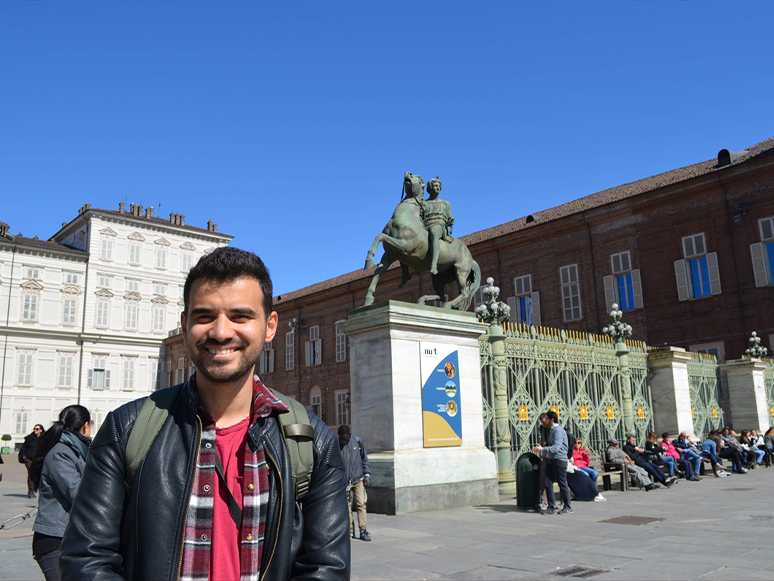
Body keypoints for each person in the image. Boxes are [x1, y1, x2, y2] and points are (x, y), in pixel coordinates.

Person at [60, 247, 350, 581]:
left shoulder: (310, 442)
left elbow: (325, 570)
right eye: (204, 316)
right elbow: (86, 562)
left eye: (240, 316)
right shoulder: (126, 430)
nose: (221, 332)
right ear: (184, 326)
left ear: (270, 326)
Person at [29, 405, 91, 581]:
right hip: (53, 539)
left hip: (68, 536)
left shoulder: (76, 449)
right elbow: (77, 492)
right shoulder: (61, 452)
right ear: (85, 426)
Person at [532, 410, 572, 514]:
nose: (546, 421)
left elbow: (557, 448)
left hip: (559, 460)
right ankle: (551, 506)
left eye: (547, 419)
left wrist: (542, 450)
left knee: (562, 483)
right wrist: (546, 446)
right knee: (547, 483)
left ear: (552, 420)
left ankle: (568, 506)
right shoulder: (552, 430)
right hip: (551, 459)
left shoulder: (558, 430)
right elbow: (552, 445)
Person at [338, 425, 371, 541]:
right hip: (345, 481)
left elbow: (364, 459)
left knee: (361, 503)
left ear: (349, 436)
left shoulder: (357, 442)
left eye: (345, 439)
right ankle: (350, 530)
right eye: (341, 439)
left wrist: (367, 474)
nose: (343, 441)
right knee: (347, 507)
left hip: (358, 479)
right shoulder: (337, 446)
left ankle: (363, 530)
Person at [421, 177, 454, 275]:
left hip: (439, 226)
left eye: (439, 186)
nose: (438, 188)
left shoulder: (446, 204)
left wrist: (451, 222)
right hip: (425, 226)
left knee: (434, 233)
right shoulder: (424, 203)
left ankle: (434, 265)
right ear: (430, 188)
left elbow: (449, 219)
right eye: (435, 186)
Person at [19, 424, 45, 498]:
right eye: (34, 429)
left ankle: (36, 489)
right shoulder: (29, 438)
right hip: (29, 458)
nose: (35, 430)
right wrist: (23, 456)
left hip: (38, 458)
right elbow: (24, 447)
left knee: (38, 473)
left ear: (41, 430)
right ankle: (31, 490)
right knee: (31, 472)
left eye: (37, 429)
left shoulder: (44, 438)